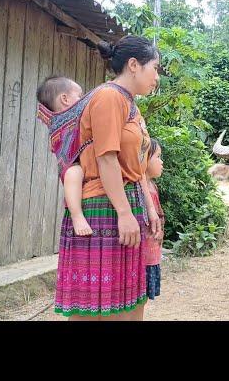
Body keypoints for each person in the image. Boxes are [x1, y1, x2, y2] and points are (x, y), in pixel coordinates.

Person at [53, 35, 162, 321]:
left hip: (124, 205)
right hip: (103, 207)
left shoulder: (130, 104)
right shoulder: (109, 97)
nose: (157, 77)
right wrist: (124, 213)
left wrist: (147, 209)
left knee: (124, 303)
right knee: (95, 309)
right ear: (134, 65)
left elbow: (134, 165)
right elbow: (106, 158)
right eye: (155, 67)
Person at [36, 76, 92, 237]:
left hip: (76, 161)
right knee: (74, 173)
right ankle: (77, 216)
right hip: (70, 164)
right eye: (79, 95)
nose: (82, 99)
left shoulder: (72, 118)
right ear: (65, 99)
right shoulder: (65, 120)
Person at [142, 138, 165, 301]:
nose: (161, 162)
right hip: (143, 256)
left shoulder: (153, 187)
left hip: (153, 254)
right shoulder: (139, 189)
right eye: (157, 157)